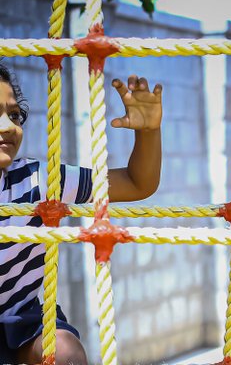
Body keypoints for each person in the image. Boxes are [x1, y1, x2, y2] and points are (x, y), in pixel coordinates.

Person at [0, 61, 163, 364]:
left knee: (64, 353)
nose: (9, 126)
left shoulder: (39, 182)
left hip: (22, 322)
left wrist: (148, 132)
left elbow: (137, 183)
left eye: (13, 114)